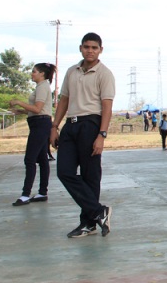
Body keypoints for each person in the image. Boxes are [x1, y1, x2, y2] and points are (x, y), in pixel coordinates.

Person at [50, 32, 115, 238]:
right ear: (80, 48)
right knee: (64, 171)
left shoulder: (104, 74)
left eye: (94, 48)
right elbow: (64, 100)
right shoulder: (72, 72)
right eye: (87, 47)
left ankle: (88, 224)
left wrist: (101, 135)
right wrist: (54, 126)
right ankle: (98, 211)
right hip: (71, 125)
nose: (90, 51)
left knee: (90, 176)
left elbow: (107, 106)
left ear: (100, 50)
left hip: (91, 125)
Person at [9, 63, 56, 206]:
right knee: (42, 159)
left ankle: (25, 194)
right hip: (38, 123)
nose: (32, 74)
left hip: (40, 125)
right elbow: (36, 110)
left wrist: (19, 102)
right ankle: (42, 192)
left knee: (30, 159)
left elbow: (37, 108)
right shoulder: (40, 86)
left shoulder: (43, 87)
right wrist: (22, 111)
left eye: (34, 71)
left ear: (42, 74)